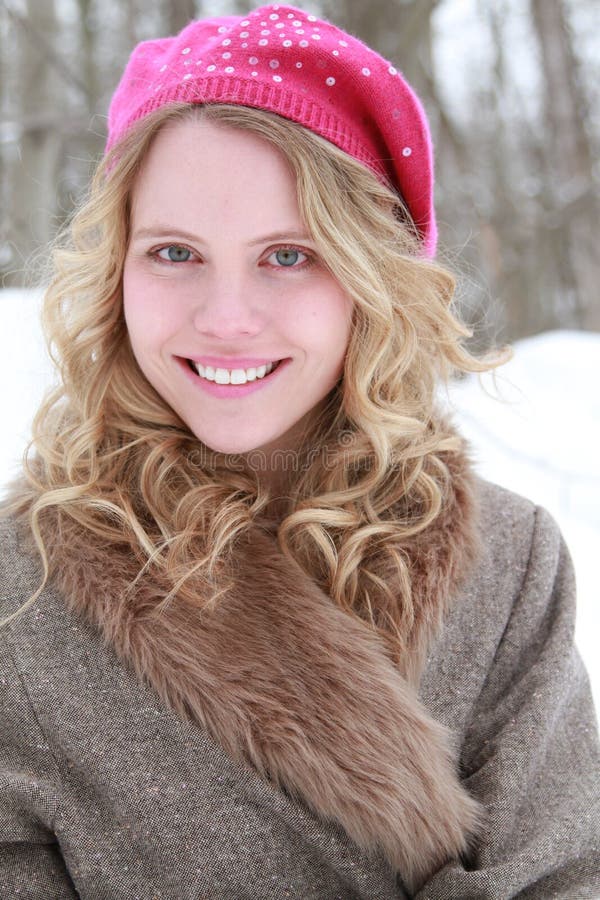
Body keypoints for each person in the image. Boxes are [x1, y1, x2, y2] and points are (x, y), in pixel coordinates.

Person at [1, 4, 598, 898]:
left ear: (373, 279)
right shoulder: (23, 594)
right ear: (115, 273)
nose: (226, 318)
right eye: (174, 252)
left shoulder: (512, 567)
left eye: (288, 255)